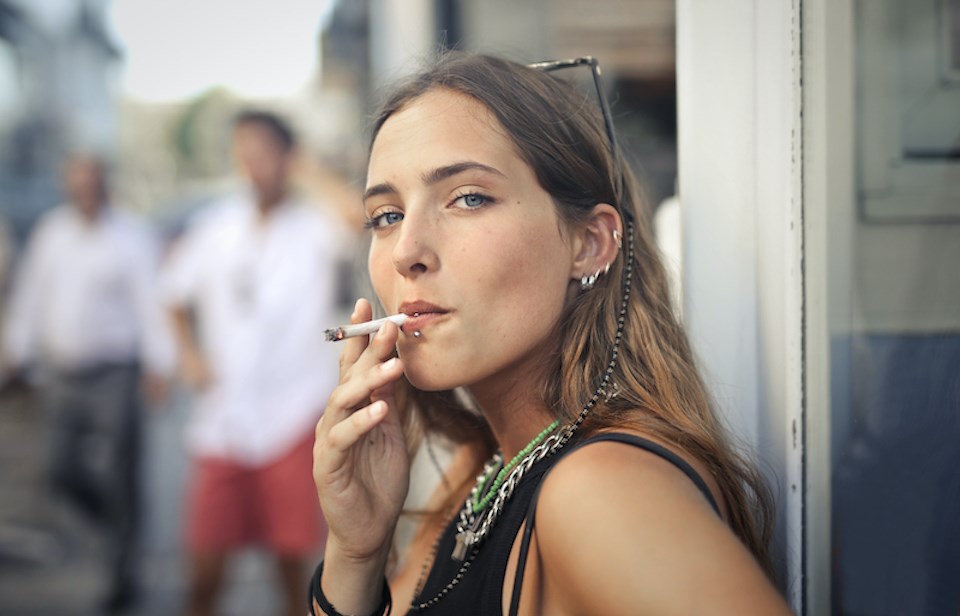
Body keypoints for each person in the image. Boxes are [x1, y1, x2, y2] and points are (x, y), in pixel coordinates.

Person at [309, 53, 794, 615]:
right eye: (386, 216)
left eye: (468, 198)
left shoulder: (602, 490)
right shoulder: (488, 475)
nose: (407, 253)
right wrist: (355, 553)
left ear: (588, 243)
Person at [161, 109, 352, 616]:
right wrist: (190, 357)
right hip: (222, 420)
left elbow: (361, 216)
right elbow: (172, 295)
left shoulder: (315, 226)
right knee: (203, 576)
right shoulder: (215, 225)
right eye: (243, 151)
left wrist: (307, 169)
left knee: (294, 573)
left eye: (264, 151)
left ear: (288, 157)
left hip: (292, 417)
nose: (252, 163)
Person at [2, 153, 173, 613]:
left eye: (91, 182)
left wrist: (160, 365)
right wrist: (17, 349)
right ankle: (117, 526)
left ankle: (123, 573)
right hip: (64, 375)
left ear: (103, 184)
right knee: (58, 467)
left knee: (122, 474)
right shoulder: (52, 233)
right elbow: (31, 295)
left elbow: (150, 302)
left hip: (114, 373)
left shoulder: (130, 236)